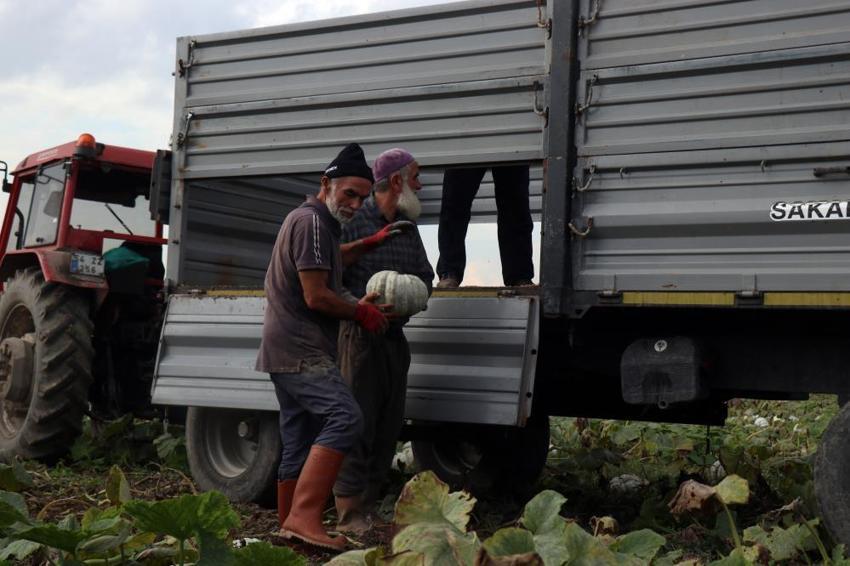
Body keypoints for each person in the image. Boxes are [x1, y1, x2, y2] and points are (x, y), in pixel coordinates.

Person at [255, 143, 411, 551]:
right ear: (326, 184)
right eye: (349, 194)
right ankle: (306, 518)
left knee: (299, 439)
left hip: (281, 349)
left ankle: (288, 526)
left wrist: (366, 244)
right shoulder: (314, 223)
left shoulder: (307, 219)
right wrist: (362, 314)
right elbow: (316, 296)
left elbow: (322, 262)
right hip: (302, 347)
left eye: (362, 197)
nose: (357, 204)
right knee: (345, 417)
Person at [332, 148, 434, 534]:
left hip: (394, 335)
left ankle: (368, 509)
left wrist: (414, 295)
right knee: (357, 422)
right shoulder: (354, 222)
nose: (420, 184)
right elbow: (328, 275)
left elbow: (426, 276)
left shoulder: (408, 227)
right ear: (396, 182)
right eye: (416, 176)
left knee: (388, 424)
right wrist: (357, 306)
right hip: (357, 335)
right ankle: (347, 514)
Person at [436, 164, 534, 287]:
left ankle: (519, 276)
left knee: (515, 207)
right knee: (455, 203)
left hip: (510, 145)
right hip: (466, 146)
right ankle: (449, 272)